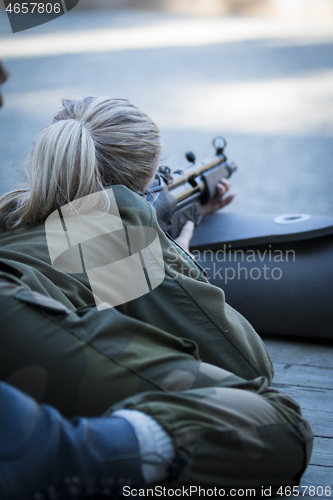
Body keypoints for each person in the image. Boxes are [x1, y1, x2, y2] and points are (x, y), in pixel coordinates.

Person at [0, 97, 273, 383]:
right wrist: (180, 261)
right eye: (158, 178)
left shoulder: (12, 220)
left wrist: (194, 210)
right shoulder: (132, 248)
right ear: (140, 187)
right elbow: (251, 367)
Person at [0, 262, 313, 498]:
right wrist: (177, 263)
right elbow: (247, 365)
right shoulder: (105, 225)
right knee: (280, 427)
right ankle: (57, 454)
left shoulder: (17, 223)